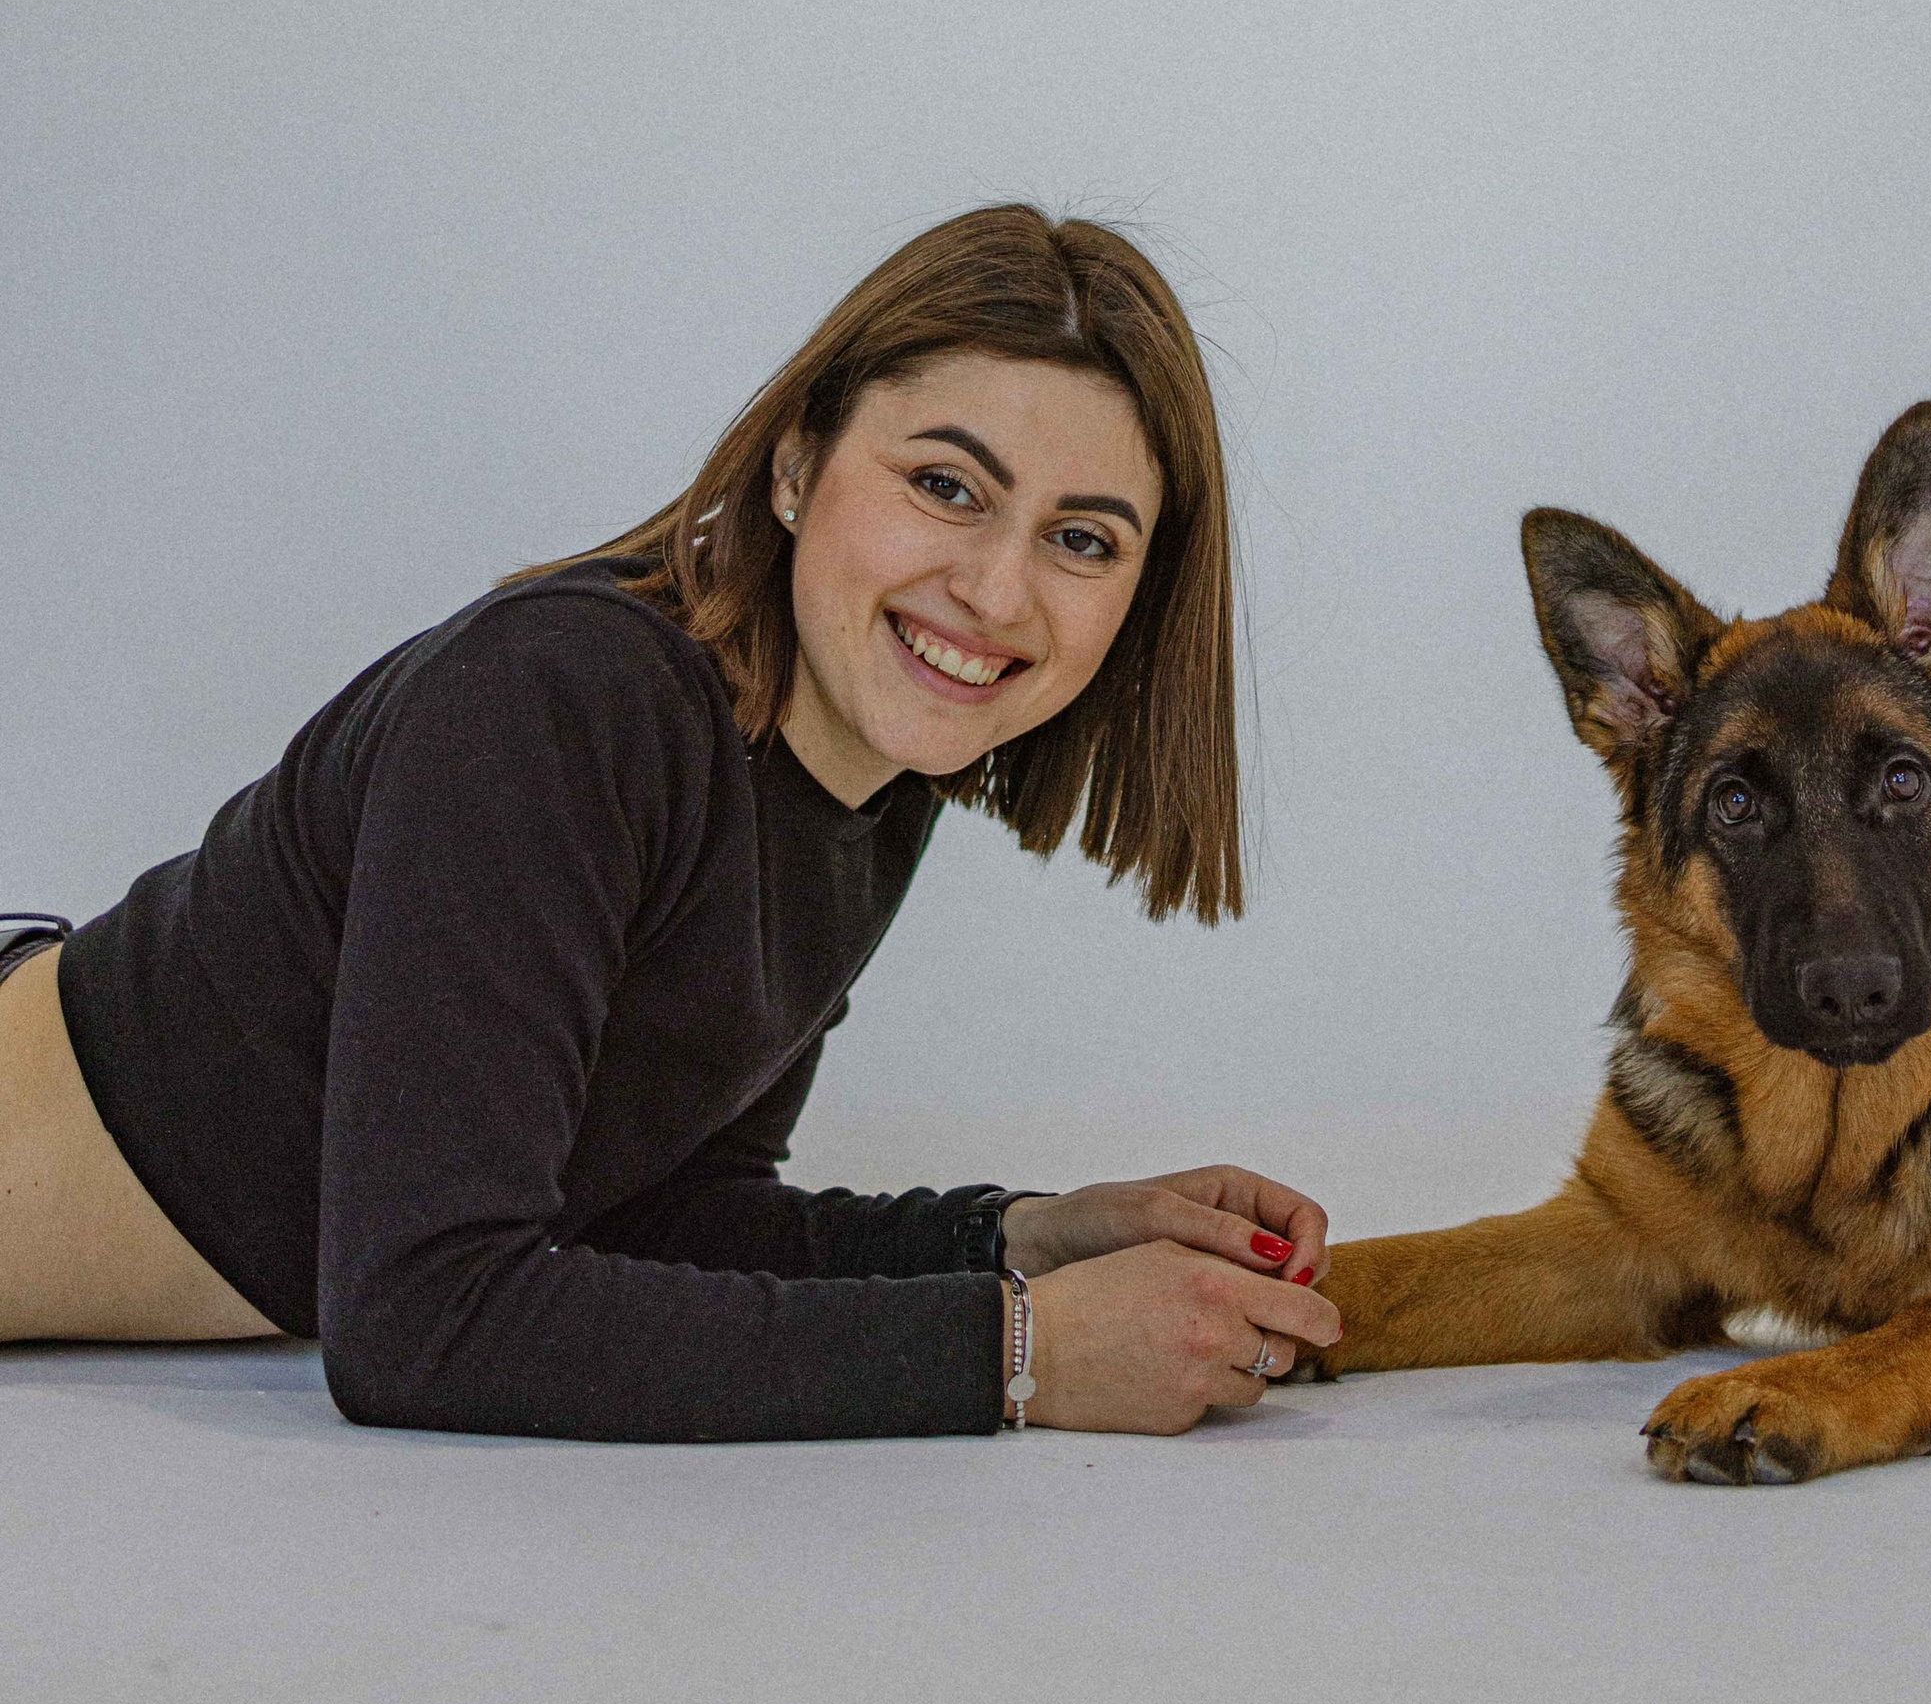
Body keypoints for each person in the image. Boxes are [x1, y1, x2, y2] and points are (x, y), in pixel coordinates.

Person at [0, 205, 1341, 1437]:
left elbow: (648, 1210)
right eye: (945, 484)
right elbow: (420, 1315)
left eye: (1083, 538)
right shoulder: (565, 696)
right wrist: (1019, 1354)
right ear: (798, 464)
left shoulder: (864, 785)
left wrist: (1020, 1241)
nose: (996, 589)